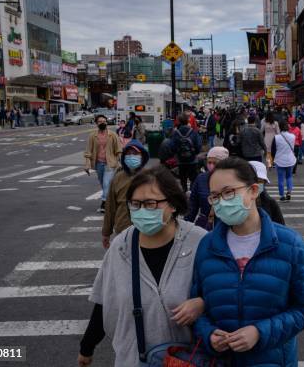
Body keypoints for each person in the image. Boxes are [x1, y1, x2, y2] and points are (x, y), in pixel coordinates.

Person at [191, 157, 304, 365]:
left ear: (253, 190)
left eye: (229, 192)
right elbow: (198, 306)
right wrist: (209, 334)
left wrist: (260, 333)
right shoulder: (207, 245)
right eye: (215, 196)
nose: (222, 201)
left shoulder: (290, 243)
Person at [78, 166, 207, 367]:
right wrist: (87, 347)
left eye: (151, 203)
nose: (142, 210)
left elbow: (225, 294)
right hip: (134, 359)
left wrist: (202, 303)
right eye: (135, 204)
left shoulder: (199, 241)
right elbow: (105, 299)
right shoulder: (120, 246)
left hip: (188, 359)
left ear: (172, 204)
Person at [101, 140, 150, 249]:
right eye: (128, 153)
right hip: (122, 229)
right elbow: (110, 207)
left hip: (145, 230)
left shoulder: (150, 177)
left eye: (135, 153)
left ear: (142, 156)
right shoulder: (118, 178)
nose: (131, 156)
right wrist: (106, 232)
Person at [84, 115, 123, 213]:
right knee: (104, 184)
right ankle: (112, 200)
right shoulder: (92, 136)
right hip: (98, 163)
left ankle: (104, 203)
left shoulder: (112, 135)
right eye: (100, 121)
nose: (102, 123)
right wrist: (87, 164)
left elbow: (118, 150)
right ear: (96, 123)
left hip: (110, 163)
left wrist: (120, 162)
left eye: (104, 121)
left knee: (106, 183)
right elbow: (88, 151)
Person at [185, 146, 229, 231]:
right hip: (206, 226)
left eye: (215, 163)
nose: (211, 166)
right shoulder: (201, 179)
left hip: (226, 226)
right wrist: (186, 225)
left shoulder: (232, 179)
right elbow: (193, 205)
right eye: (209, 162)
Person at [171, 113, 202, 192]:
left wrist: (177, 154)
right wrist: (195, 153)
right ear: (187, 121)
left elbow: (172, 147)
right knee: (193, 179)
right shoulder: (193, 132)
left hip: (181, 161)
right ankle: (192, 193)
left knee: (183, 179)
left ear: (179, 121)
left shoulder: (176, 133)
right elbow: (198, 146)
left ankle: (184, 192)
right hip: (192, 160)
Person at [249, 160, 285, 225]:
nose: (256, 185)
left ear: (264, 183)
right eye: (253, 180)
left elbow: (281, 227)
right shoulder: (237, 204)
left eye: (260, 181)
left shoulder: (270, 203)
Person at [271, 120, 297, 202]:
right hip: (290, 160)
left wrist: (273, 160)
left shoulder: (276, 137)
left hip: (279, 160)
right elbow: (294, 147)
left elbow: (273, 150)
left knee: (280, 179)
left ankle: (282, 195)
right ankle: (289, 193)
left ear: (279, 127)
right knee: (289, 177)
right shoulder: (293, 136)